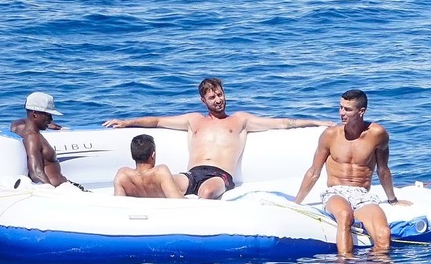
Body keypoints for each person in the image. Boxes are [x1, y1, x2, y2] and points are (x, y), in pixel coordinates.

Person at [103, 78, 333, 199]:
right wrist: (127, 122)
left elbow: (282, 123)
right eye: (212, 97)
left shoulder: (240, 120)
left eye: (220, 94)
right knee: (167, 183)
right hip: (193, 173)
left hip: (220, 176)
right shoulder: (193, 120)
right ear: (203, 101)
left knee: (206, 192)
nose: (218, 100)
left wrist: (316, 123)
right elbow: (157, 121)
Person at [294, 89, 411, 255]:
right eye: (340, 107)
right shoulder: (330, 135)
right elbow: (314, 171)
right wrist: (296, 203)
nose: (341, 113)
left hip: (362, 194)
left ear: (361, 111)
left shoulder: (378, 134)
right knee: (344, 215)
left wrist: (392, 200)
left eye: (347, 109)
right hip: (336, 192)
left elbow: (383, 170)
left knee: (383, 234)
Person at [13, 92, 83, 190]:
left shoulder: (17, 126)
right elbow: (36, 173)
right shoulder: (33, 137)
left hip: (61, 186)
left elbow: (25, 121)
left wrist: (47, 124)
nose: (51, 119)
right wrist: (52, 192)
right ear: (35, 114)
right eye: (48, 115)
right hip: (58, 189)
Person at [113, 134, 185, 199]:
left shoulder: (122, 175)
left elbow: (120, 202)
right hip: (189, 180)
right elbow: (177, 201)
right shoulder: (160, 172)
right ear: (153, 155)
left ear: (132, 155)